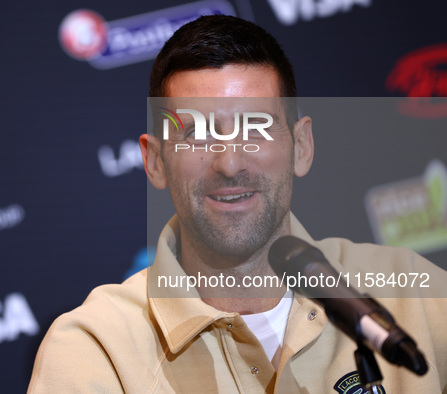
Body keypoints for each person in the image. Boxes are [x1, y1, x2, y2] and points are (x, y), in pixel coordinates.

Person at [28, 15, 447, 393]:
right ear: (155, 162)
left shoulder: (409, 290)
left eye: (257, 127)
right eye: (195, 133)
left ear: (301, 146)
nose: (229, 162)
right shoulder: (96, 349)